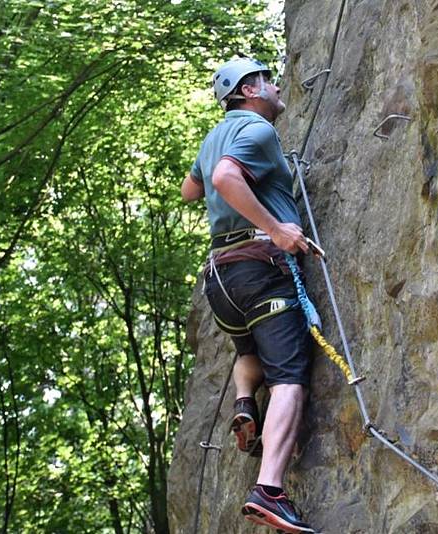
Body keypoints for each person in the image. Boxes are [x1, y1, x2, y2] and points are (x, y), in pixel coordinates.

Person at [180, 57, 316, 534]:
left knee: (250, 349)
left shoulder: (212, 137)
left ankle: (243, 400)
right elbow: (222, 180)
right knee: (289, 377)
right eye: (269, 81)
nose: (278, 87)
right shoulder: (257, 132)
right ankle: (270, 489)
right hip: (261, 269)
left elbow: (190, 190)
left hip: (221, 280)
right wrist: (277, 228)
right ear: (252, 90)